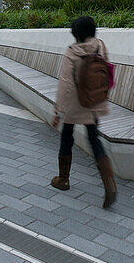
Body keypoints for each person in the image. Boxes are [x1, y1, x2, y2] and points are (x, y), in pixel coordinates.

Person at [50, 15, 116, 208]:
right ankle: (108, 181)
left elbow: (65, 84)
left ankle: (63, 179)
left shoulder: (72, 52)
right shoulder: (100, 46)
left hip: (75, 103)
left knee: (67, 137)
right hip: (94, 100)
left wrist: (57, 111)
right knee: (94, 138)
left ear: (76, 34)